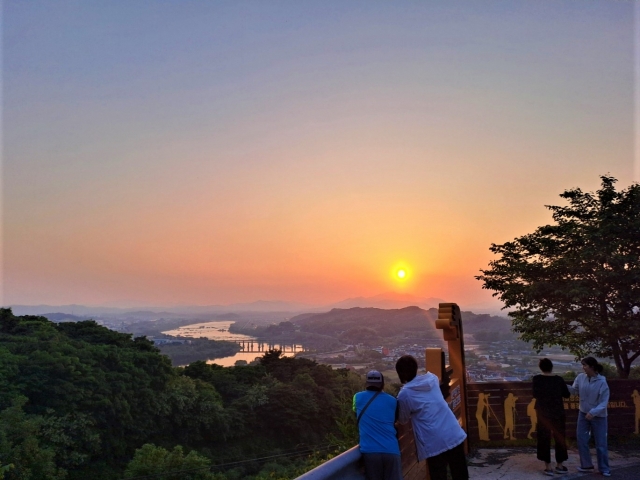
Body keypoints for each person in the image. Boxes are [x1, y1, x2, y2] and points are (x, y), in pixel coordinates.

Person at [395, 355, 469, 480]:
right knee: (460, 474)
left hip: (434, 441)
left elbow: (402, 419)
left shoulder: (405, 394)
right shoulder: (432, 378)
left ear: (401, 373)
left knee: (439, 476)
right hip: (453, 432)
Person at [352, 370, 403, 480]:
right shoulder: (393, 401)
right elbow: (394, 419)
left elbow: (355, 413)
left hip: (370, 452)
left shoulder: (357, 397)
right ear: (382, 384)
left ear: (366, 384)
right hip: (391, 450)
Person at [567, 357, 611, 477]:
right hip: (583, 414)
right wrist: (562, 385)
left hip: (599, 416)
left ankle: (604, 468)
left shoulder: (602, 382)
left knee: (601, 443)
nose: (583, 367)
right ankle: (586, 465)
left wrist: (593, 412)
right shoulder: (580, 378)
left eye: (585, 365)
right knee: (581, 440)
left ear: (592, 367)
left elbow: (604, 402)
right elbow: (574, 391)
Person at [532, 358, 570, 476]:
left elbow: (535, 394)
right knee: (559, 437)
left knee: (544, 438)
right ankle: (559, 465)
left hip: (543, 413)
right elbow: (567, 395)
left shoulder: (537, 379)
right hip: (557, 412)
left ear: (540, 368)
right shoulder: (558, 380)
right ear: (551, 367)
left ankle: (548, 467)